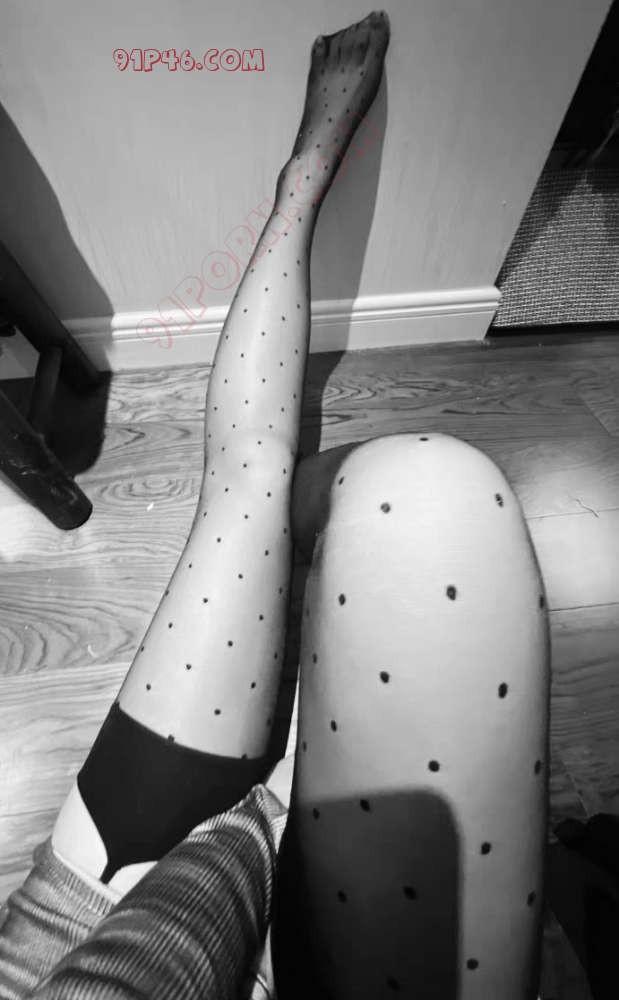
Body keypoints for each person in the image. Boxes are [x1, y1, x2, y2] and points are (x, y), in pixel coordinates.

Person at [0, 10, 550, 999]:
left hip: (82, 930)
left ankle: (301, 180)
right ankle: (298, 563)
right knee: (435, 504)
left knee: (315, 478)